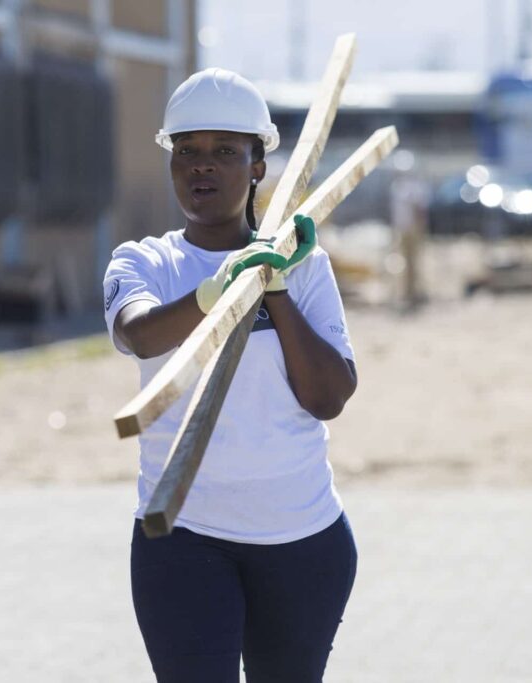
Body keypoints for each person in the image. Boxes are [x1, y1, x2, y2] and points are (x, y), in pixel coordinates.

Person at [102, 67, 359, 682]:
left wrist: (276, 289)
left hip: (302, 537)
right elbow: (140, 335)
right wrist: (215, 291)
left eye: (224, 151)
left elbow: (328, 397)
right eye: (186, 150)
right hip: (183, 536)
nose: (202, 165)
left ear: (257, 166)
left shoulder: (303, 265)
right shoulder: (144, 262)